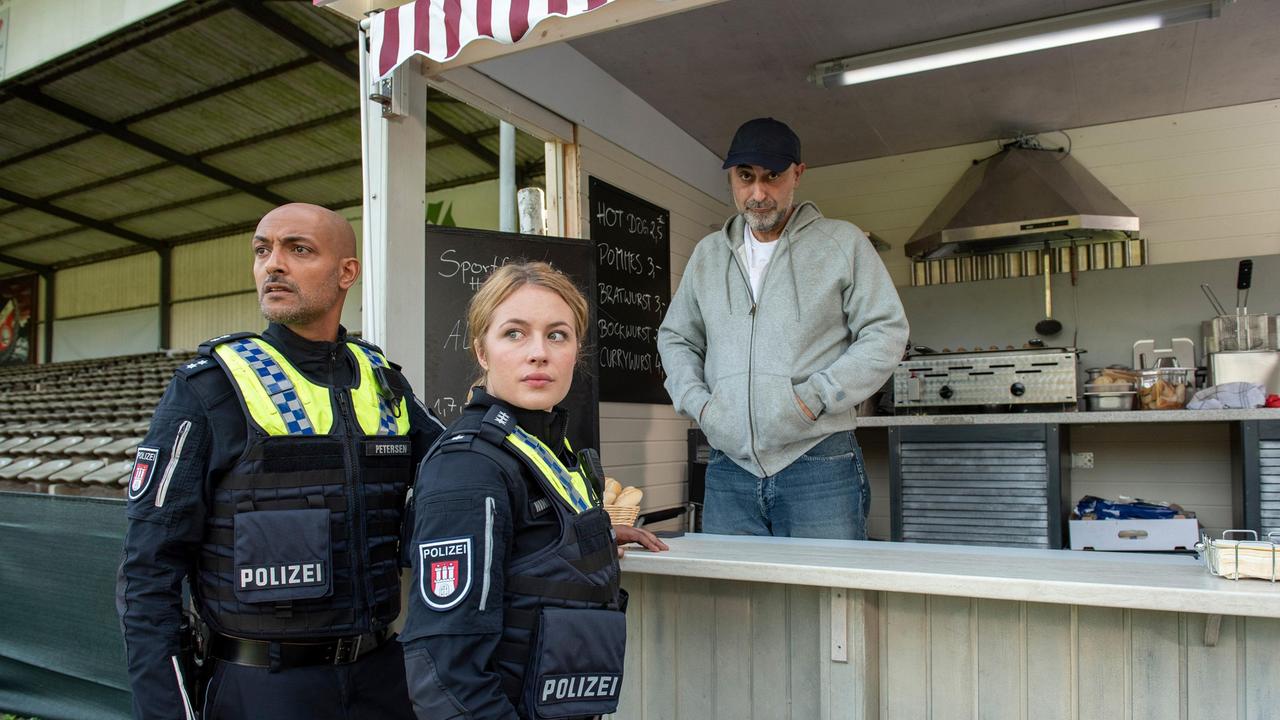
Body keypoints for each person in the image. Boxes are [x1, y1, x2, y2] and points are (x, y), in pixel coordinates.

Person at [116, 203, 444, 720]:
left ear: (347, 273)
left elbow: (466, 474)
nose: (273, 264)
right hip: (260, 688)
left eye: (299, 249)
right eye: (262, 250)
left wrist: (583, 515)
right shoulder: (210, 385)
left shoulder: (385, 382)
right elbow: (147, 574)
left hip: (382, 678)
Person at [400, 261, 666, 720]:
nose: (539, 353)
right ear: (482, 351)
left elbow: (528, 555)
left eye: (557, 335)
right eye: (515, 334)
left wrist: (591, 538)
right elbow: (444, 678)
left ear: (576, 350)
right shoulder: (469, 467)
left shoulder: (550, 447)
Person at [657, 117, 909, 540]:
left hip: (819, 461)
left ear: (798, 174)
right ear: (732, 179)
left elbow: (886, 332)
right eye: (745, 177)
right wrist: (700, 405)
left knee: (828, 597)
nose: (758, 193)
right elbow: (676, 336)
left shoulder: (841, 244)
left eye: (772, 176)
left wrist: (814, 398)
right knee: (737, 602)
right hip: (728, 466)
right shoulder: (708, 255)